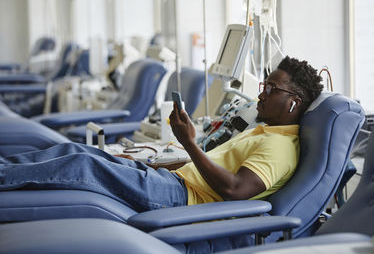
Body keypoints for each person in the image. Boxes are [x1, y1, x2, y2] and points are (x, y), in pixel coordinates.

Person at [0, 56, 323, 213]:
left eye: (270, 88)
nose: (261, 94)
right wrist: (151, 164)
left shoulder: (281, 147)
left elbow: (235, 189)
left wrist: (189, 142)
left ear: (293, 101)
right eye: (263, 85)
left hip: (178, 197)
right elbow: (205, 169)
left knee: (82, 167)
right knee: (82, 153)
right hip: (171, 182)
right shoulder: (263, 130)